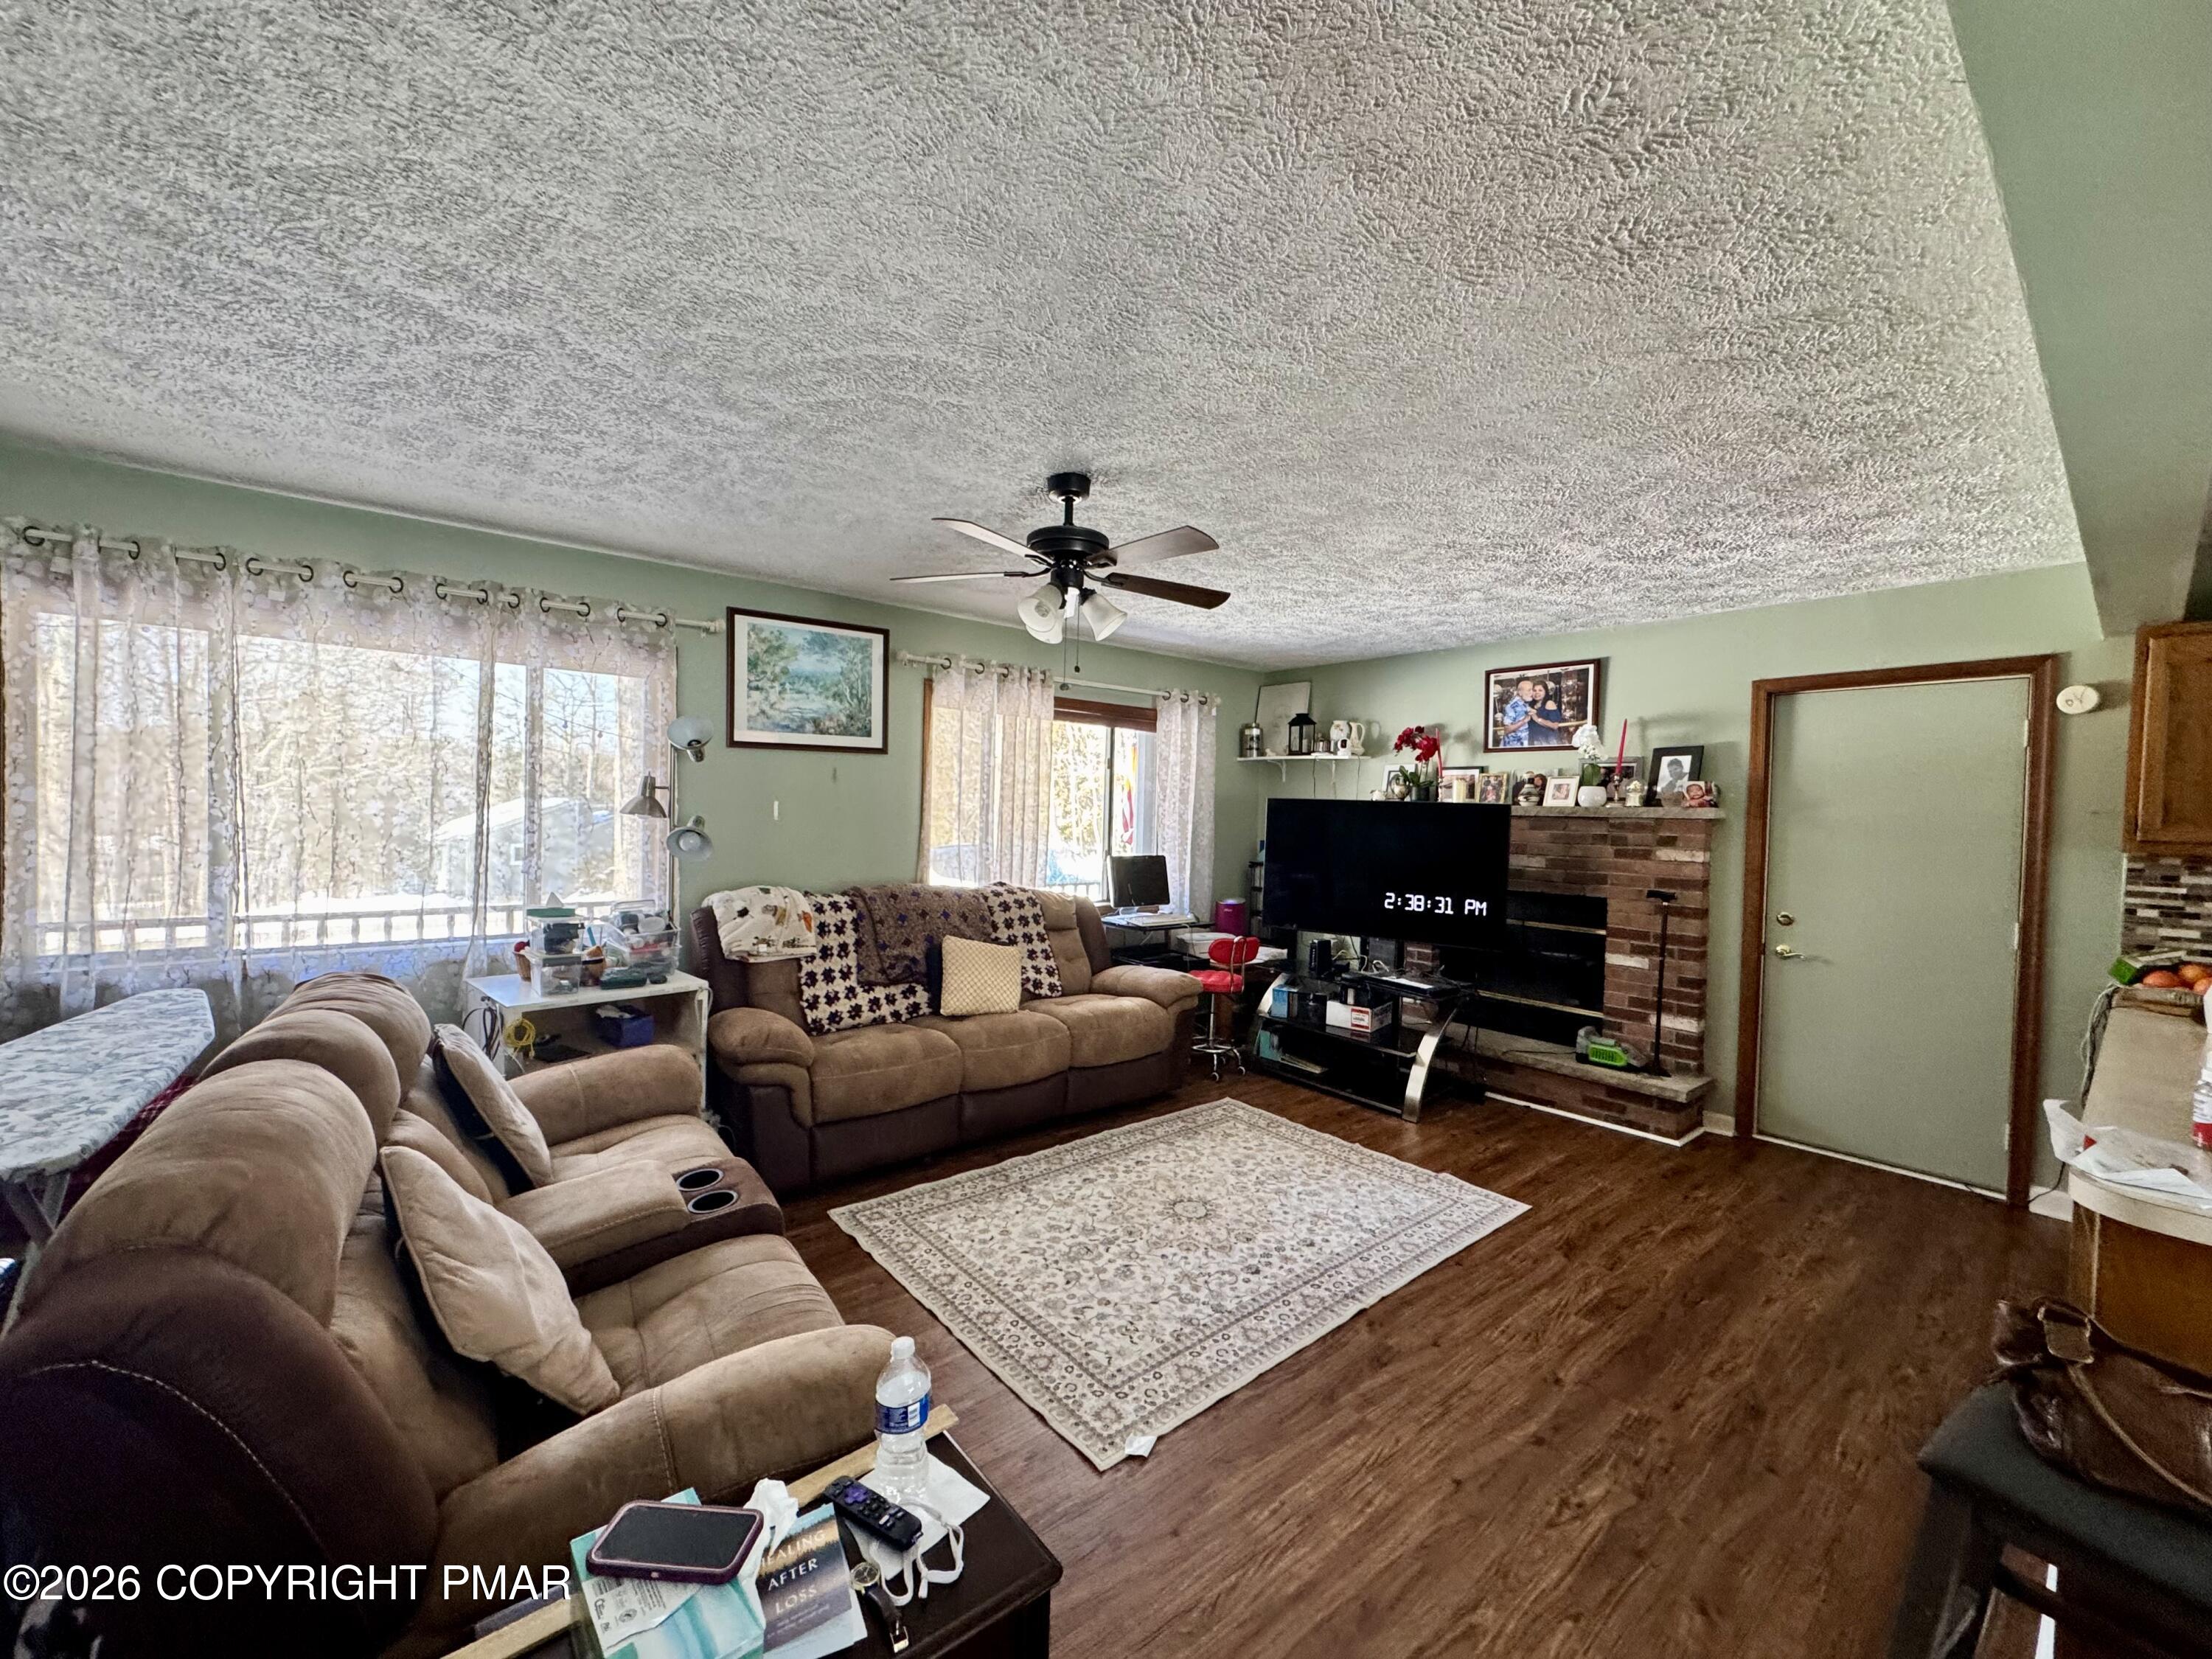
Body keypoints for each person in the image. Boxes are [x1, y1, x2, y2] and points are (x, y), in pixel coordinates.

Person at [1497, 676, 1541, 748]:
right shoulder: (1511, 707)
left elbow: (1527, 710)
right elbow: (1507, 729)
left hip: (1522, 743)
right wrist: (1524, 721)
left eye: (1532, 690)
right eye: (1529, 690)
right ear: (1520, 692)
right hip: (1512, 745)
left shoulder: (1524, 703)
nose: (1532, 693)